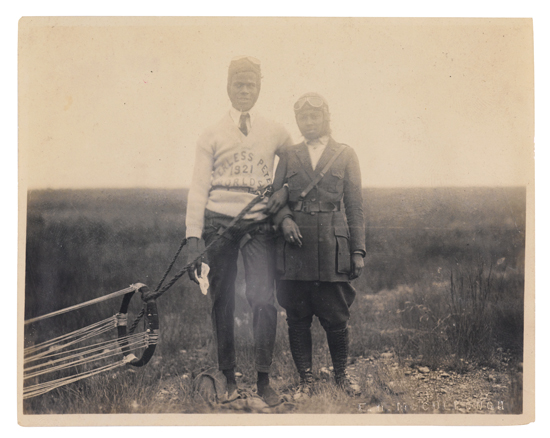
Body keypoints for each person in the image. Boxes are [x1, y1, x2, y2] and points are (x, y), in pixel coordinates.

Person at [185, 56, 292, 406]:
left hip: (259, 226)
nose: (245, 90)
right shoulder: (211, 134)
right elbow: (198, 189)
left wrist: (283, 190)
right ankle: (228, 378)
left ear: (259, 88)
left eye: (251, 85)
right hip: (219, 226)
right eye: (238, 84)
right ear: (228, 87)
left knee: (263, 298)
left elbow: (294, 167)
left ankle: (263, 381)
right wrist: (193, 240)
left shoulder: (276, 131)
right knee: (222, 300)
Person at [272, 92, 366, 398]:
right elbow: (275, 199)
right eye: (303, 117)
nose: (308, 122)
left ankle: (341, 377)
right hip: (295, 249)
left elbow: (355, 207)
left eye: (314, 116)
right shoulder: (288, 154)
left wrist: (358, 250)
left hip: (331, 248)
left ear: (325, 117)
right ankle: (306, 382)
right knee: (297, 318)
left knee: (336, 317)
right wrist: (285, 220)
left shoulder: (345, 154)